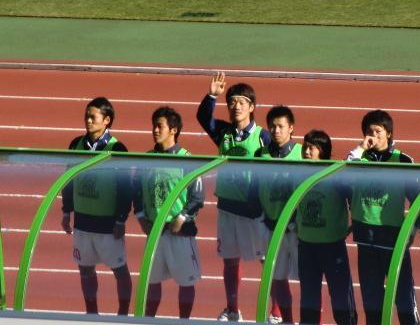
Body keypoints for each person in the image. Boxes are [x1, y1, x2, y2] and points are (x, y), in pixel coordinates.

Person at [196, 71, 271, 321]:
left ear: (252, 107)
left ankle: (276, 312)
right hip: (227, 207)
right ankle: (232, 309)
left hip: (253, 210)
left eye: (241, 102)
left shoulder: (262, 136)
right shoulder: (224, 132)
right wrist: (211, 96)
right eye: (232, 102)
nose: (236, 106)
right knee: (229, 260)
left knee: (265, 260)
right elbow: (203, 118)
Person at [347, 109, 420, 325]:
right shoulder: (360, 157)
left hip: (392, 239)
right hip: (366, 238)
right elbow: (345, 174)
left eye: (378, 131)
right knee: (372, 301)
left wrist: (411, 230)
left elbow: (418, 198)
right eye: (369, 132)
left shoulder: (402, 160)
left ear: (389, 133)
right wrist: (360, 148)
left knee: (404, 298)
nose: (373, 136)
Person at [61, 97, 132, 315]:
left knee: (119, 270)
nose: (88, 120)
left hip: (107, 224)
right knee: (85, 269)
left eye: (93, 117)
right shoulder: (76, 144)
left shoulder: (117, 148)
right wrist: (66, 210)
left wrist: (121, 219)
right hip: (82, 221)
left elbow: (126, 187)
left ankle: (122, 314)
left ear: (107, 120)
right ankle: (91, 313)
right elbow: (68, 179)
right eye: (86, 116)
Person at [134, 106, 204, 319]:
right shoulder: (147, 158)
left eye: (160, 126)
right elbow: (136, 191)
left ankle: (184, 321)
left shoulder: (187, 159)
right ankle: (148, 320)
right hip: (154, 232)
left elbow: (197, 197)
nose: (155, 130)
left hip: (179, 234)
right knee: (152, 281)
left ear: (173, 130)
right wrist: (141, 218)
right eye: (153, 126)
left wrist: (182, 218)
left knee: (186, 282)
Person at [297, 129, 358, 325]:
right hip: (306, 245)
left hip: (332, 246)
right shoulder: (298, 173)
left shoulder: (335, 174)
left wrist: (355, 222)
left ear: (323, 150)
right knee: (309, 298)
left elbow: (353, 197)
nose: (307, 152)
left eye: (312, 148)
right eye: (305, 147)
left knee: (341, 296)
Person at [255, 105, 302, 324]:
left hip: (297, 230)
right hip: (272, 227)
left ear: (291, 128)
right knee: (278, 278)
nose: (276, 131)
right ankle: (287, 320)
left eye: (281, 126)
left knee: (309, 281)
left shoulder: (302, 153)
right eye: (272, 126)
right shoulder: (261, 154)